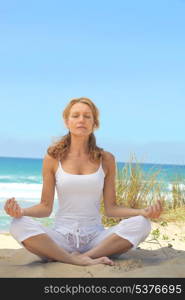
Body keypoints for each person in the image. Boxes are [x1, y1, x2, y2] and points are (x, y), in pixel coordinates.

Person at [4, 97, 162, 267]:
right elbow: (45, 207)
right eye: (76, 116)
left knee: (141, 223)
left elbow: (111, 208)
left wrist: (142, 211)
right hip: (62, 238)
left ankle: (82, 257)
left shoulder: (106, 159)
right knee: (18, 224)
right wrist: (21, 211)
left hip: (96, 239)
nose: (81, 120)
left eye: (87, 116)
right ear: (67, 122)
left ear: (94, 124)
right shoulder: (52, 158)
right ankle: (74, 259)